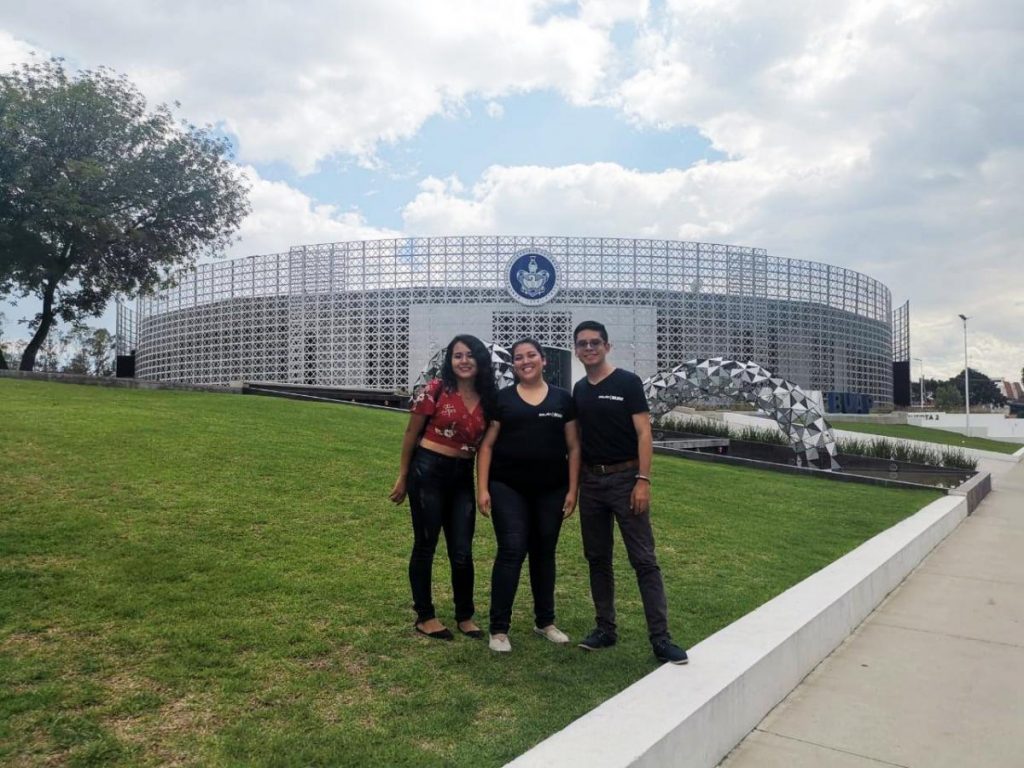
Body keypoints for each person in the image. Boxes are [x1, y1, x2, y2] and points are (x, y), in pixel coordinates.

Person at [571, 320, 689, 665]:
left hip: (626, 480)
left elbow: (643, 434)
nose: (589, 348)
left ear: (608, 346)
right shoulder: (580, 389)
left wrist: (643, 480)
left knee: (644, 560)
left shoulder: (627, 382)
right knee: (597, 558)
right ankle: (605, 628)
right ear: (576, 350)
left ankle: (661, 637)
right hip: (592, 483)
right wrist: (575, 485)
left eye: (595, 342)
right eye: (582, 343)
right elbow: (577, 440)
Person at [476, 338, 581, 653]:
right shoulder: (502, 399)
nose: (525, 361)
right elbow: (487, 446)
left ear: (543, 360)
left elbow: (574, 447)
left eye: (531, 355)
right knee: (511, 549)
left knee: (544, 553)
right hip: (507, 487)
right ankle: (499, 630)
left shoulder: (564, 400)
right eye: (519, 358)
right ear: (514, 364)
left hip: (552, 489)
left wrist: (573, 490)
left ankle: (545, 621)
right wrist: (482, 487)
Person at [389, 334, 496, 641]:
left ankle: (465, 615)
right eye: (457, 355)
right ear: (450, 361)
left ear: (480, 360)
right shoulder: (436, 389)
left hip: (462, 475)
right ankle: (425, 616)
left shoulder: (489, 399)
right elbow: (411, 433)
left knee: (462, 551)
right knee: (426, 545)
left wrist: (483, 487)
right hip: (428, 471)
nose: (464, 361)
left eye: (470, 355)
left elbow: (488, 445)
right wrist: (403, 475)